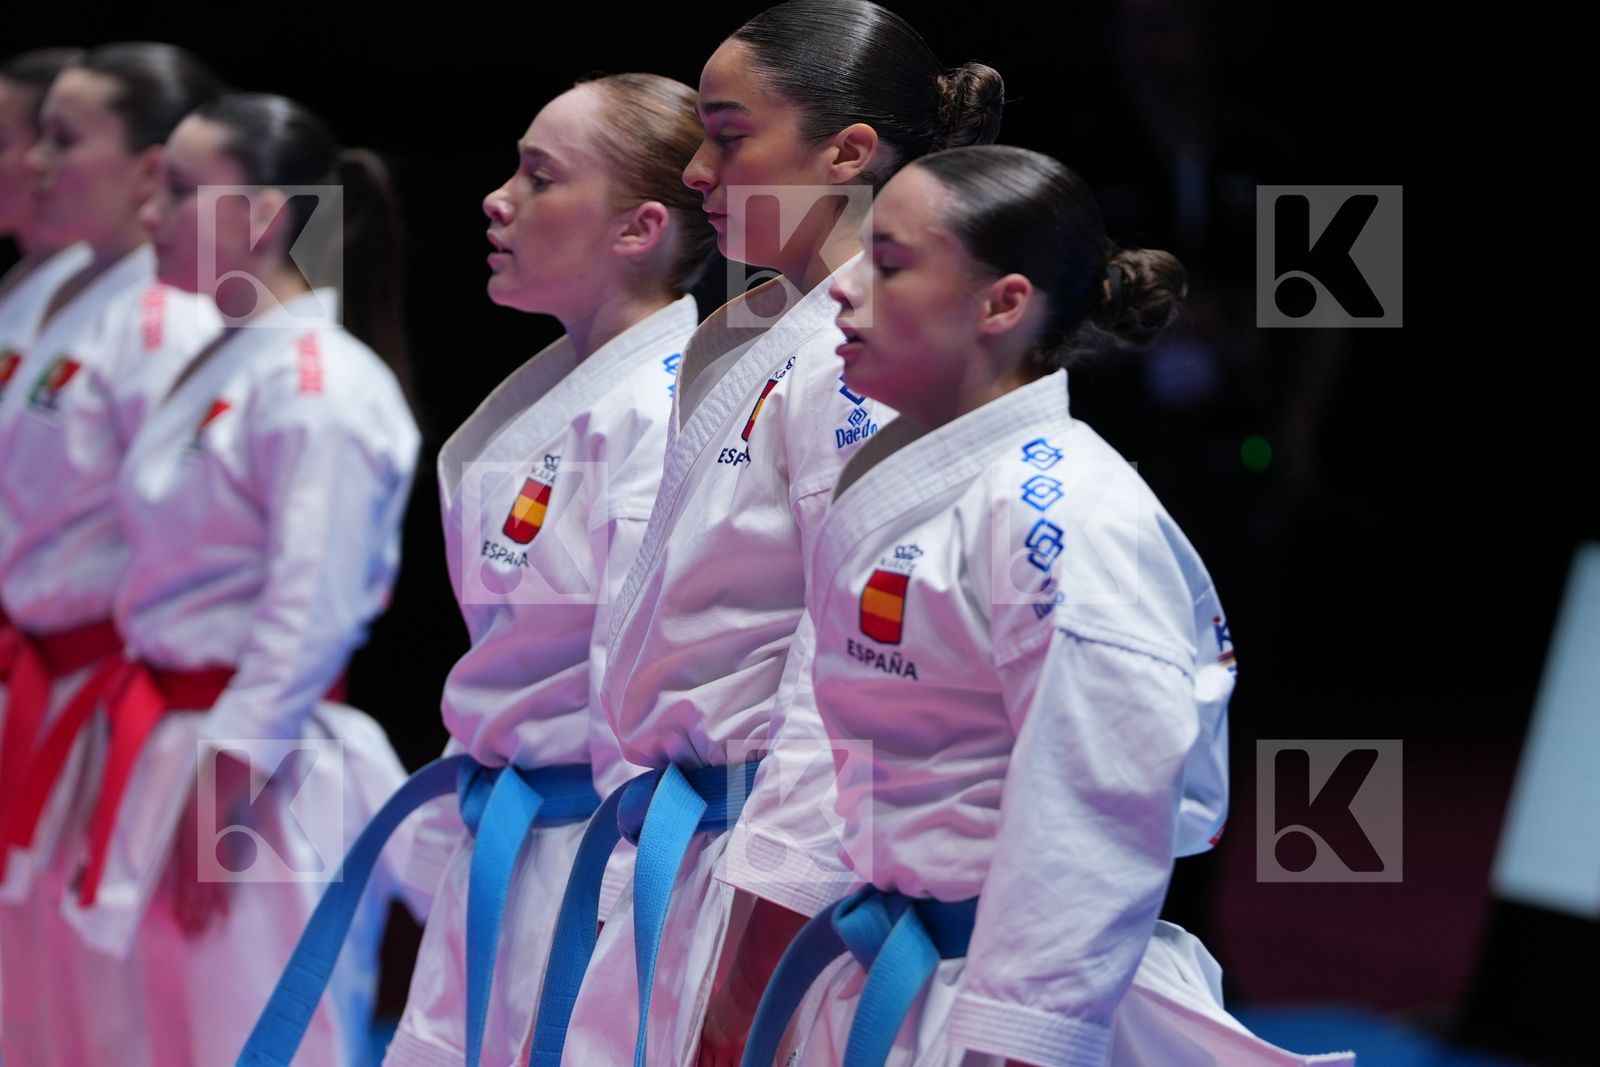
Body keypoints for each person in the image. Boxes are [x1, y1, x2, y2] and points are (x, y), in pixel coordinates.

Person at [739, 144, 1356, 1067]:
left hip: (1017, 1013)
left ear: (1003, 302)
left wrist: (1023, 1046)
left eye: (893, 263)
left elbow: (1093, 834)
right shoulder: (913, 484)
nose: (844, 288)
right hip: (889, 972)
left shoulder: (1070, 515)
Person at [524, 4, 1004, 1066]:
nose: (696, 169)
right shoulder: (762, 328)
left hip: (775, 863)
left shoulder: (862, 348)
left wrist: (768, 918)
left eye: (729, 134)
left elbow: (836, 671)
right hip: (687, 835)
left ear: (847, 153)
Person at [231, 74, 716, 1067]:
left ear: (639, 229)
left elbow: (650, 708)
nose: (497, 199)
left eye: (539, 177)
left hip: (593, 858)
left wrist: (629, 908)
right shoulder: (576, 393)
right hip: (508, 829)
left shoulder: (666, 417)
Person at [28, 90, 421, 1065]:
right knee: (160, 1031)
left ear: (258, 217)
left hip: (263, 767)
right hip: (170, 738)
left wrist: (228, 777)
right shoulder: (226, 357)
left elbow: (311, 608)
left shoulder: (320, 381)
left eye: (181, 191)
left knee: (258, 1031)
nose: (150, 213)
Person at [0, 42, 222, 1067]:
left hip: (116, 692)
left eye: (62, 139)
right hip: (44, 682)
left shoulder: (171, 321)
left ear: (148, 169)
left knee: (124, 999)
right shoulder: (59, 301)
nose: (38, 164)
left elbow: (197, 544)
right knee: (40, 992)